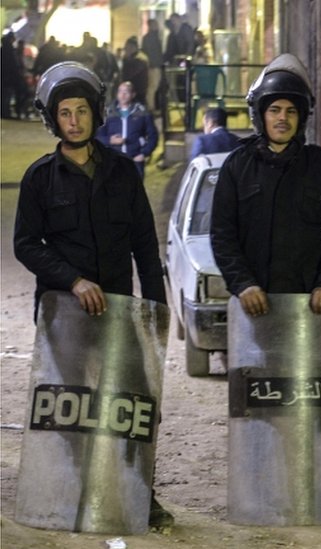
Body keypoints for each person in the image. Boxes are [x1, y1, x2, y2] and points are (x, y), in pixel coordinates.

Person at [11, 61, 171, 527]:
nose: (74, 120)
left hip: (121, 313)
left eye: (82, 110)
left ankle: (140, 493)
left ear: (96, 113)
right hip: (65, 317)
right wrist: (72, 280)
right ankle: (70, 491)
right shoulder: (40, 179)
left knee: (133, 405)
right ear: (53, 120)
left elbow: (144, 243)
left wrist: (156, 310)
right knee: (70, 407)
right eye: (65, 113)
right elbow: (25, 244)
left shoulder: (124, 173)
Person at [210, 53, 321, 318]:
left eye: (291, 111)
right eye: (274, 110)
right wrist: (242, 284)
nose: (282, 119)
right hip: (254, 305)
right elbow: (222, 234)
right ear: (260, 116)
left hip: (310, 305)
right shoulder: (237, 167)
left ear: (301, 118)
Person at [95, 81, 158, 179]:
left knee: (135, 191)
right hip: (113, 161)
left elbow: (153, 135)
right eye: (120, 92)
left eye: (126, 92)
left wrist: (144, 153)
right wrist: (110, 140)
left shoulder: (142, 112)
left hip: (135, 161)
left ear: (133, 94)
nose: (123, 95)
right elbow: (97, 137)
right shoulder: (107, 113)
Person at [119, 36, 150, 106]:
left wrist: (126, 60)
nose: (126, 50)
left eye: (127, 48)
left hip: (137, 93)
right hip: (133, 93)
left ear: (133, 48)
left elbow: (127, 75)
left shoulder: (139, 59)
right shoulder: (135, 58)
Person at [142, 18, 164, 112]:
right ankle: (151, 106)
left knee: (153, 86)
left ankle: (152, 105)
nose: (157, 26)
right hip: (154, 65)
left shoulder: (149, 37)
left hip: (154, 65)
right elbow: (154, 52)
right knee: (153, 86)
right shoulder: (152, 38)